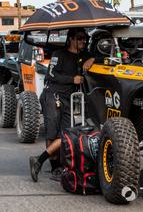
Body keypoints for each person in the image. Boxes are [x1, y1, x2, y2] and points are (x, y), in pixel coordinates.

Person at [29, 28, 95, 182]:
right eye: (79, 38)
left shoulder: (84, 55)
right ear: (71, 39)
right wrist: (72, 79)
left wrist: (92, 60)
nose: (83, 41)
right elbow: (50, 75)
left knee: (66, 133)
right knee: (52, 134)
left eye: (85, 39)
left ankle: (38, 160)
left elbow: (100, 57)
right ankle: (54, 168)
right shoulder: (59, 54)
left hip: (71, 99)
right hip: (53, 95)